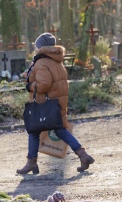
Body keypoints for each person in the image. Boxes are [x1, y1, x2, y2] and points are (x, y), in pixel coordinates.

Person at [17, 33, 95, 175]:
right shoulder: (56, 61)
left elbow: (43, 85)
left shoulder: (41, 62)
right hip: (56, 103)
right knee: (60, 130)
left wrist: (30, 86)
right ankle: (83, 155)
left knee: (33, 130)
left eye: (36, 46)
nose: (35, 48)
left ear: (41, 47)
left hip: (44, 104)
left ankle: (31, 162)